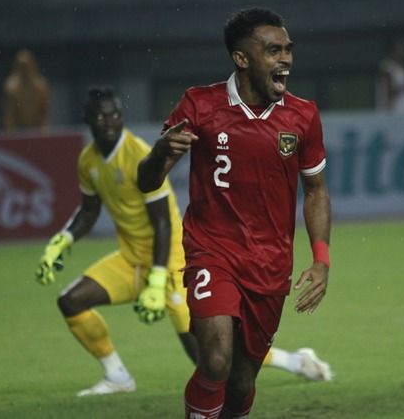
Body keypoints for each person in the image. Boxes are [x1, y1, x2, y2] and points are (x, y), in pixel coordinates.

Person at [36, 86, 332, 397]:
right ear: (88, 121)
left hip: (172, 260)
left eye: (115, 115)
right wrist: (63, 240)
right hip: (131, 260)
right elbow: (90, 208)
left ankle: (295, 361)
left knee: (210, 356)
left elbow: (163, 221)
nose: (109, 122)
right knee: (71, 301)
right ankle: (117, 375)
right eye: (101, 117)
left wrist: (158, 279)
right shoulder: (88, 160)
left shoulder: (136, 153)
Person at [137, 7, 332, 418]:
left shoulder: (303, 116)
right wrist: (158, 154)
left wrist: (321, 260)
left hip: (271, 264)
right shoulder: (200, 104)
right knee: (216, 359)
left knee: (242, 380)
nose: (286, 59)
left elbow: (315, 191)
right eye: (273, 50)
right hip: (213, 252)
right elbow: (147, 181)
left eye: (288, 50)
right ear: (242, 59)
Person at [2, 48, 51, 132]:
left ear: (33, 65)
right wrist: (10, 134)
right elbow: (9, 115)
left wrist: (44, 133)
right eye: (22, 67)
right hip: (17, 130)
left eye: (27, 66)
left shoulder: (40, 86)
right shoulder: (11, 87)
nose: (25, 70)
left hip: (37, 129)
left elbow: (44, 113)